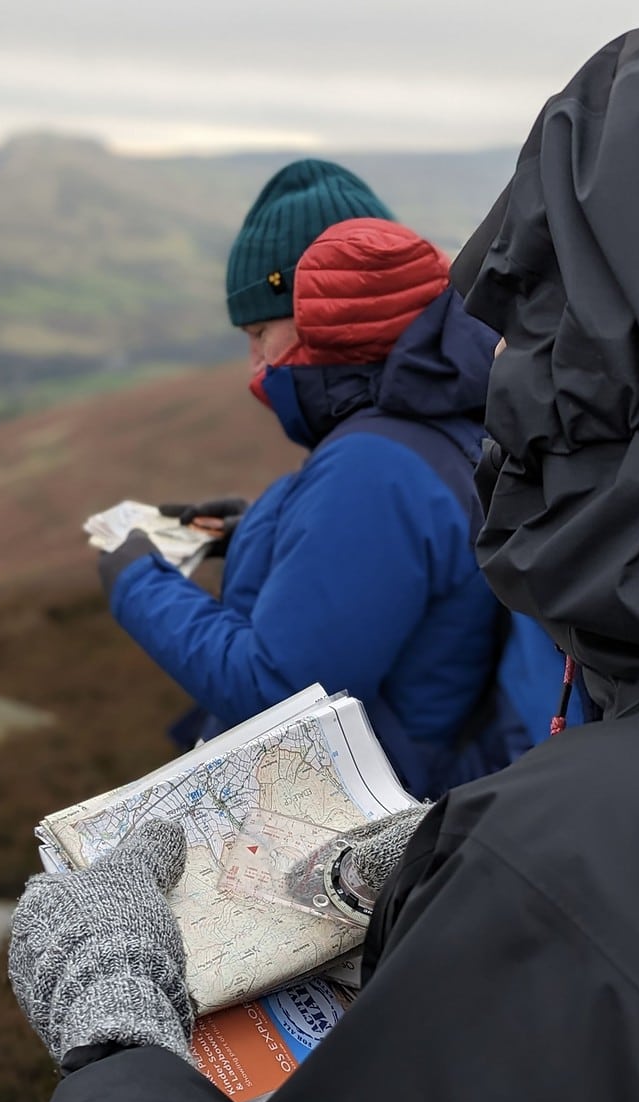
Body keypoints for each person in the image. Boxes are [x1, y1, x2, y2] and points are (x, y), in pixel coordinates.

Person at [11, 5, 639, 1102]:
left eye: (537, 309)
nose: (498, 356)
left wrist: (114, 1028)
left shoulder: (566, 870)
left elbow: (280, 672)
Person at [99, 158, 514, 800]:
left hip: (351, 811)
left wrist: (135, 580)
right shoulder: (443, 419)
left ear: (322, 308)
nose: (256, 364)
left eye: (262, 332)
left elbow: (282, 697)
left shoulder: (376, 467)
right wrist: (258, 534)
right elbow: (391, 579)